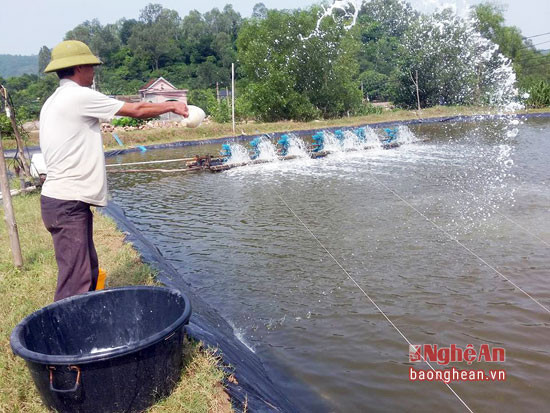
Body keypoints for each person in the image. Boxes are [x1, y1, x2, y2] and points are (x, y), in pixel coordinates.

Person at [39, 40, 189, 301]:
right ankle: (69, 334)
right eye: (91, 66)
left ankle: (85, 322)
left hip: (64, 200)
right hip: (67, 201)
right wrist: (172, 105)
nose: (94, 71)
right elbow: (137, 109)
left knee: (86, 271)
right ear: (78, 67)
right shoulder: (77, 96)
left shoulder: (54, 100)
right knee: (75, 283)